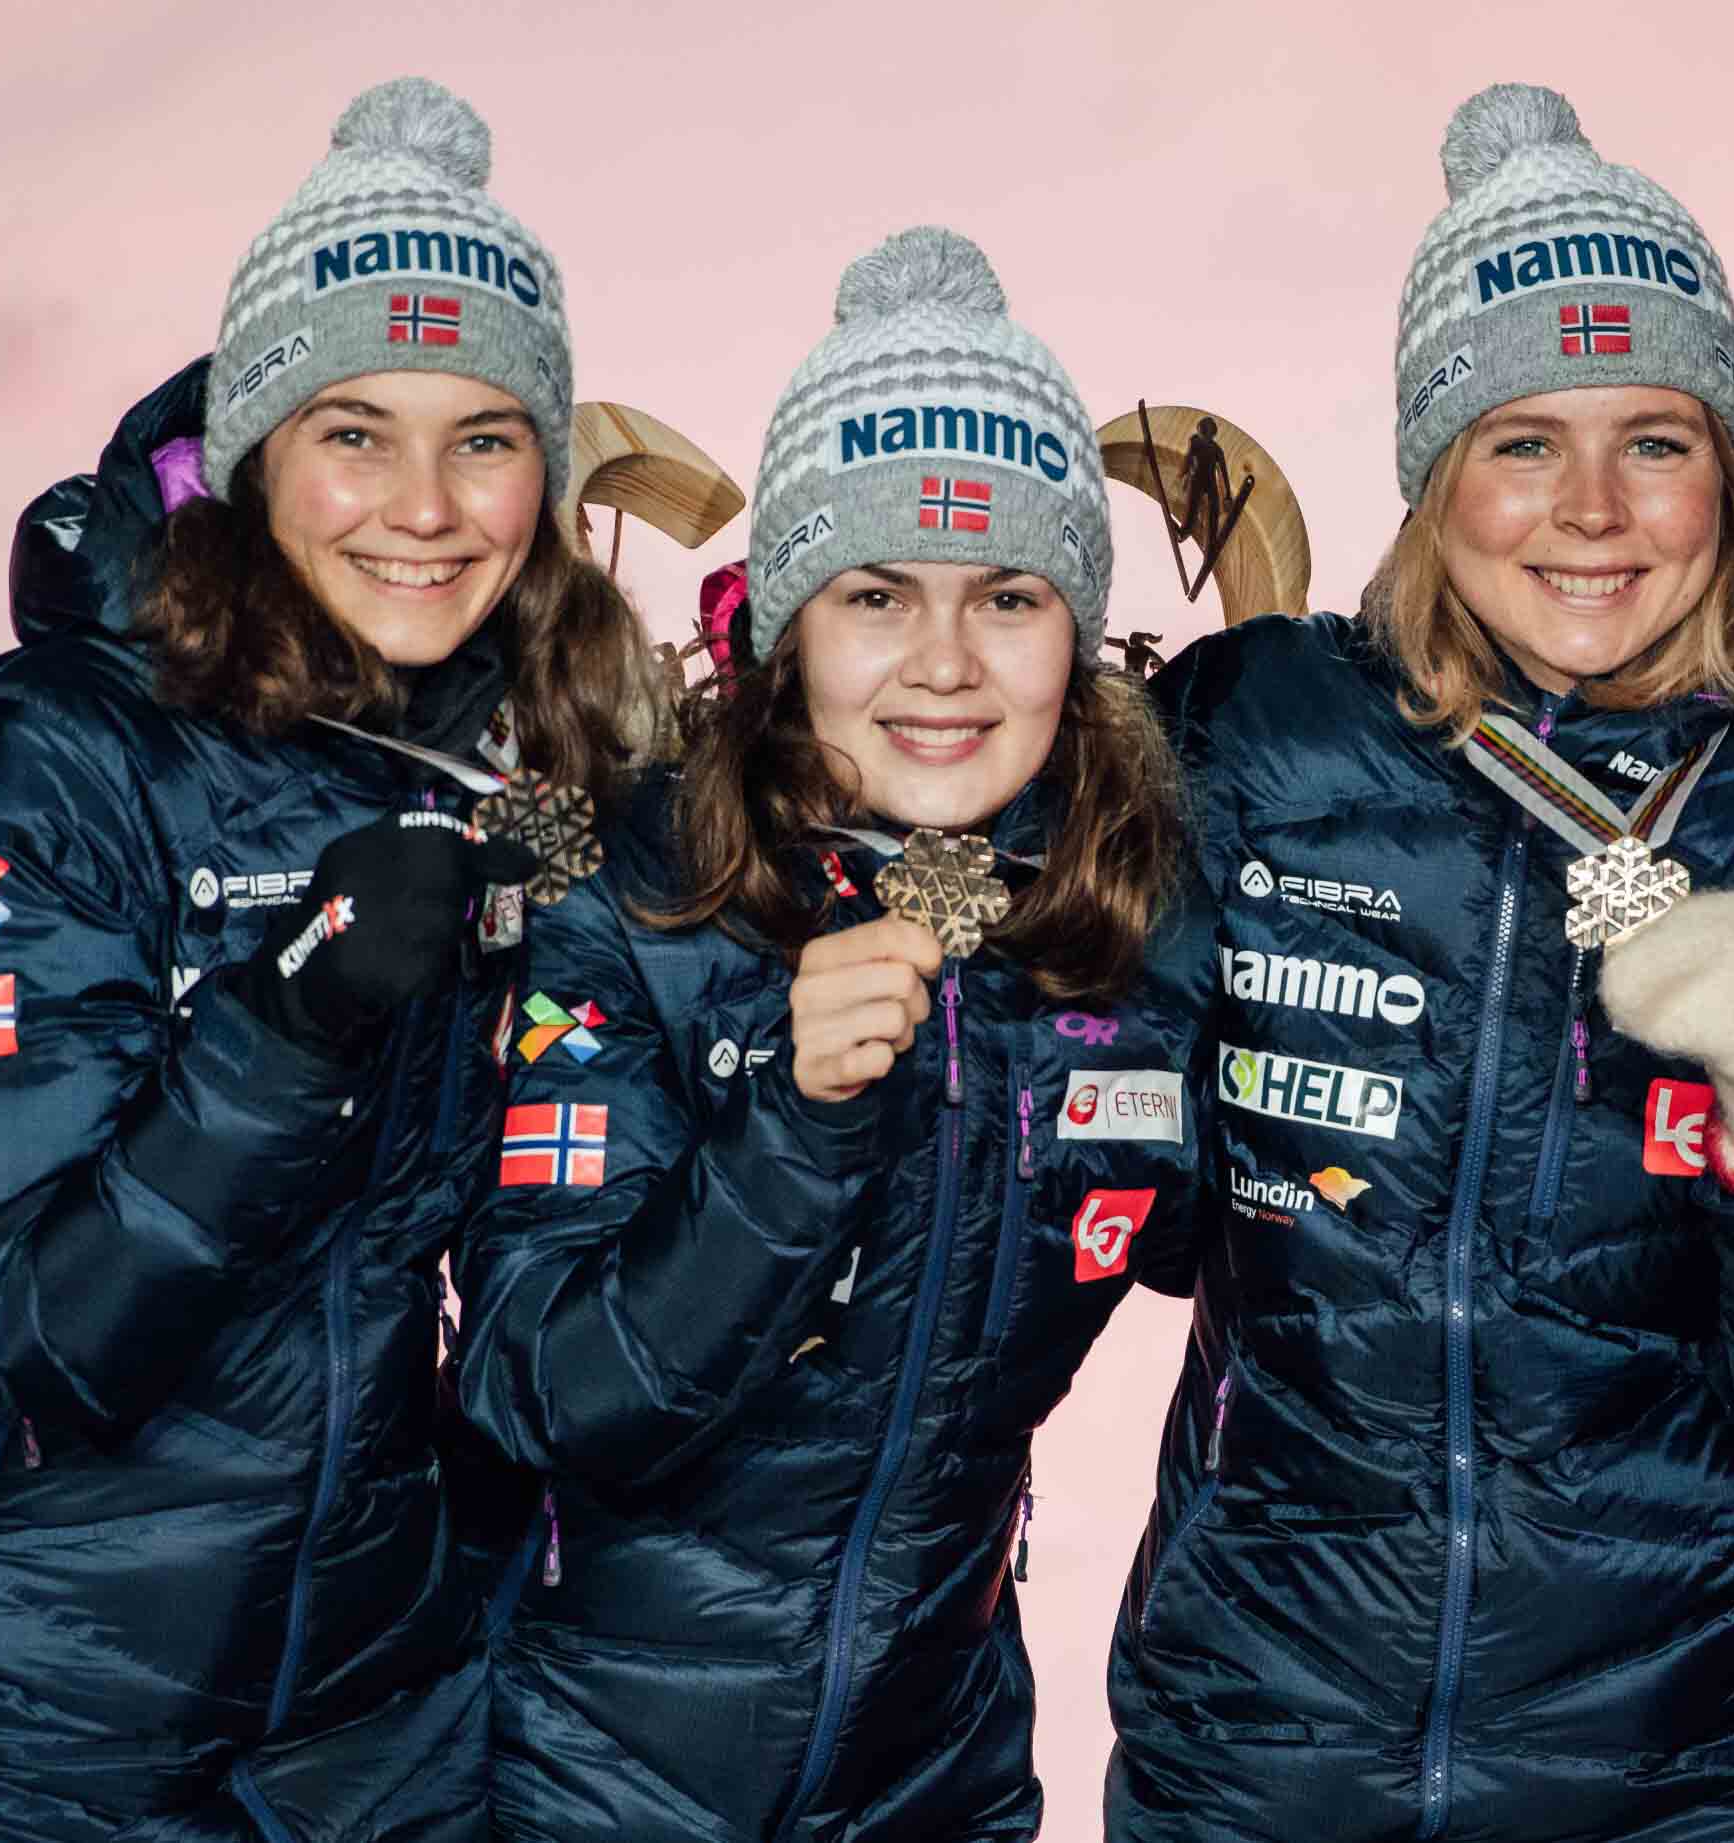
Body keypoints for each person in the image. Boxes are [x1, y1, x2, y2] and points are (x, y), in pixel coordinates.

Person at [1105, 84, 1734, 1842]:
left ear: (1732, 481)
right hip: (1262, 1756)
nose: (1591, 510)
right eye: (1524, 441)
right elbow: (1123, 1218)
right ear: (1435, 476)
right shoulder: (1259, 740)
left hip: (1700, 1780)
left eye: (1655, 442)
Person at [0, 78, 646, 1840]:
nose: (425, 508)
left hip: (341, 1744)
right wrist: (306, 1004)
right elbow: (50, 1335)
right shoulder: (47, 763)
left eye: (486, 438)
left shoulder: (529, 757)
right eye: (356, 430)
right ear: (257, 449)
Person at [456, 227, 1211, 1842]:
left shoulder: (1125, 934)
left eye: (1008, 596)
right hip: (582, 1780)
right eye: (876, 595)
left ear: (1076, 638)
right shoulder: (641, 903)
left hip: (933, 1782)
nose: (944, 665)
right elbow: (545, 1397)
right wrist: (795, 1125)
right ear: (787, 632)